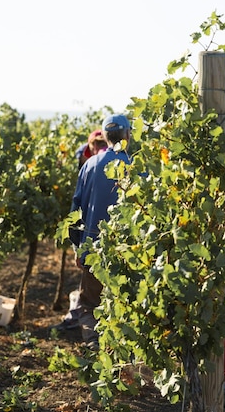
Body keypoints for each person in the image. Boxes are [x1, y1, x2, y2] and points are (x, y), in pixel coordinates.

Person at [70, 114, 132, 350]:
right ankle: (120, 357)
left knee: (89, 305)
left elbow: (76, 210)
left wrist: (78, 247)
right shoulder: (136, 166)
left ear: (105, 137)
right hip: (128, 255)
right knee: (125, 307)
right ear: (126, 135)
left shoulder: (90, 165)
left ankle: (95, 349)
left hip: (93, 252)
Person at [52, 129, 109, 333]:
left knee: (91, 294)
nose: (97, 150)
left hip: (94, 237)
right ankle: (83, 321)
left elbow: (78, 207)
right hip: (96, 236)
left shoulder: (94, 164)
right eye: (94, 147)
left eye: (101, 146)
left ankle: (92, 337)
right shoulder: (84, 158)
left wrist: (79, 246)